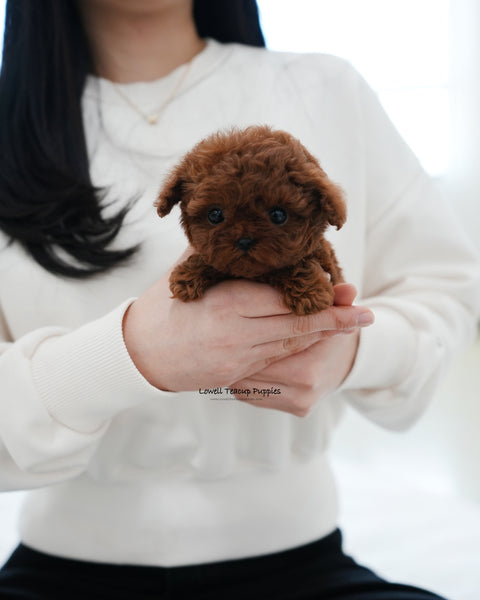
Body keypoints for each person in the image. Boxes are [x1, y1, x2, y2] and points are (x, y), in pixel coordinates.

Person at [0, 1, 478, 598]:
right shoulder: (12, 126)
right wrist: (128, 356)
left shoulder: (324, 87)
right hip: (61, 567)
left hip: (303, 562)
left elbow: (444, 289)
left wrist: (350, 351)